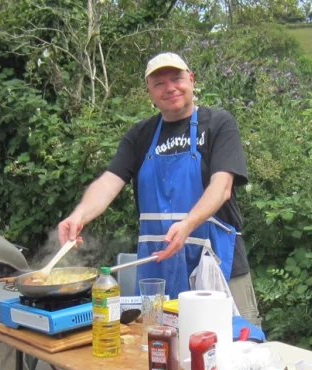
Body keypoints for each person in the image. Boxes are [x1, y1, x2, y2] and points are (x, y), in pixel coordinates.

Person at [58, 52, 260, 325]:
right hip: (158, 271)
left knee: (236, 346)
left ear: (191, 79)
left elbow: (221, 187)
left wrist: (187, 224)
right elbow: (108, 182)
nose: (170, 88)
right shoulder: (139, 135)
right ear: (150, 92)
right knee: (158, 348)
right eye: (159, 83)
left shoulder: (218, 125)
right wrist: (79, 215)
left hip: (219, 265)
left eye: (176, 78)